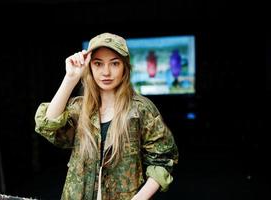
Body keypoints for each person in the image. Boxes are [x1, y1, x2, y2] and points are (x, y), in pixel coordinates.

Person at [34, 32, 179, 200]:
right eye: (98, 64)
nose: (106, 72)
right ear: (90, 67)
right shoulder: (80, 108)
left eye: (115, 63)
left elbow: (163, 160)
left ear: (125, 67)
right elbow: (47, 125)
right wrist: (71, 77)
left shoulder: (141, 110)